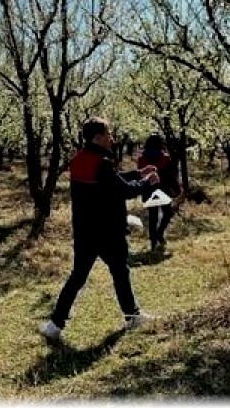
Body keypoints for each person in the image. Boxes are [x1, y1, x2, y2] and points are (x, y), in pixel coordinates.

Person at [39, 117, 160, 343]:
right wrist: (148, 181)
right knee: (120, 271)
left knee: (79, 276)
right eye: (108, 134)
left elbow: (110, 182)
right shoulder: (102, 162)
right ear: (98, 137)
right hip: (108, 230)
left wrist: (138, 173)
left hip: (85, 230)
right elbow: (122, 191)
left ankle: (54, 325)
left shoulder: (78, 160)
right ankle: (132, 315)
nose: (112, 138)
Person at [137, 134, 180, 252]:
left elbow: (139, 176)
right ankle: (160, 234)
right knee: (168, 213)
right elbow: (171, 176)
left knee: (153, 217)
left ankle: (153, 242)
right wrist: (177, 189)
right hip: (163, 190)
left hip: (148, 190)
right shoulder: (165, 158)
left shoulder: (142, 159)